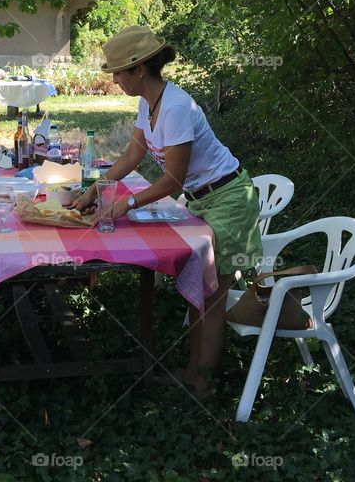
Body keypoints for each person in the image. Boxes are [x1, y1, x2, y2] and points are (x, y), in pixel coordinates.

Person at [71, 26, 262, 399]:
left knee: (211, 297)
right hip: (206, 198)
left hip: (230, 201)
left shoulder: (174, 107)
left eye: (118, 72)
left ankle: (202, 382)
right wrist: (94, 189)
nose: (114, 79)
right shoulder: (149, 103)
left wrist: (123, 205)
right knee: (202, 293)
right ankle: (193, 372)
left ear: (140, 69)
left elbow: (171, 181)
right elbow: (132, 154)